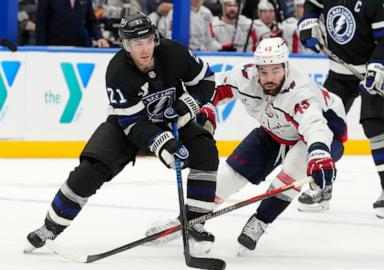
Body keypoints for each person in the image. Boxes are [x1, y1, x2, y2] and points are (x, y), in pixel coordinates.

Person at [24, 12, 219, 254]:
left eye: (148, 40)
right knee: (90, 169)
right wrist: (163, 143)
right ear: (126, 45)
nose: (145, 49)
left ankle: (194, 223)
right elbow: (134, 122)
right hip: (127, 124)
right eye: (137, 43)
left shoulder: (175, 53)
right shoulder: (117, 72)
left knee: (205, 150)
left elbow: (207, 80)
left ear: (155, 38)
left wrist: (188, 105)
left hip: (172, 118)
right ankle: (50, 227)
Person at [146, 37, 347, 254]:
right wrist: (207, 110)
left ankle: (261, 220)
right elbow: (211, 88)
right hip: (275, 131)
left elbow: (315, 126)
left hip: (325, 134)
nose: (269, 78)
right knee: (227, 177)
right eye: (264, 72)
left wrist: (318, 155)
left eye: (276, 71)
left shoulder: (300, 92)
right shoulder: (245, 77)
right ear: (256, 69)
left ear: (286, 67)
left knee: (291, 173)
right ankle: (186, 221)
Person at [298, 0, 384, 217]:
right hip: (339, 71)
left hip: (372, 71)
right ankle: (323, 184)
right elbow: (312, 4)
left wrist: (378, 65)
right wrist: (309, 20)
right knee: (323, 125)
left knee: (374, 125)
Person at [36, 0, 110, 47]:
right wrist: (41, 49)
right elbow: (41, 24)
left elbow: (92, 21)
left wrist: (99, 37)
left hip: (80, 48)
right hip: (54, 48)